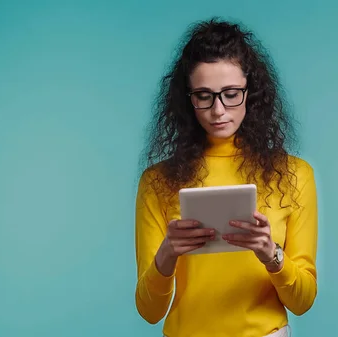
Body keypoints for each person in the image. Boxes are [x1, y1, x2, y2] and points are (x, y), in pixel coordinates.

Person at [134, 18, 318, 337]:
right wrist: (167, 253)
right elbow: (150, 312)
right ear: (187, 99)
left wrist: (271, 255)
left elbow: (302, 302)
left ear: (252, 92)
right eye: (204, 96)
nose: (218, 110)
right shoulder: (157, 181)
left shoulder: (295, 174)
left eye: (231, 93)